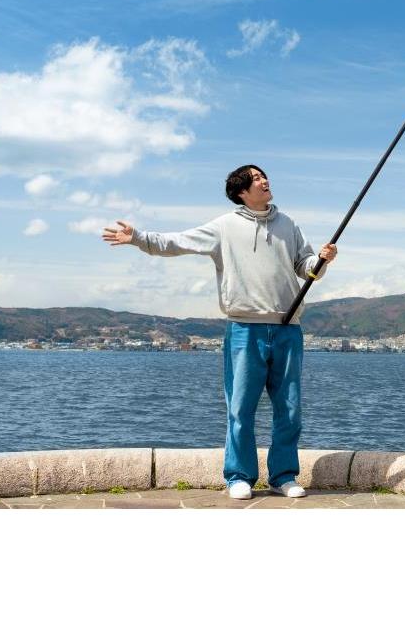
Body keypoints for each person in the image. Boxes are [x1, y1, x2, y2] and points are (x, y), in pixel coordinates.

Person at [102, 165, 337, 500]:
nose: (265, 180)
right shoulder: (224, 227)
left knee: (290, 409)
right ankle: (238, 476)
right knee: (240, 408)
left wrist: (321, 260)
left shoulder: (288, 224)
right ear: (241, 191)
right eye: (256, 178)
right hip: (244, 328)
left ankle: (283, 476)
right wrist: (139, 238)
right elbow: (178, 242)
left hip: (288, 329)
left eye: (264, 176)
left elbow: (306, 267)